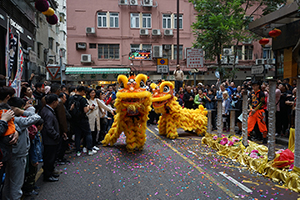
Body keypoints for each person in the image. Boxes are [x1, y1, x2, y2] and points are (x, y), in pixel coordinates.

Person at [3, 97, 41, 199]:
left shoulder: (6, 118)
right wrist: (24, 111)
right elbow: (37, 117)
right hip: (18, 154)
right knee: (16, 182)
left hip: (10, 153)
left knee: (9, 180)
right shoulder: (16, 119)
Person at [68, 86, 95, 156]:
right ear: (82, 91)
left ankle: (78, 151)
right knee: (88, 133)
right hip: (83, 119)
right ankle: (89, 149)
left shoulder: (71, 98)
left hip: (74, 119)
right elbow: (85, 110)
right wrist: (89, 107)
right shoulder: (83, 99)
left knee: (77, 135)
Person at [39, 94, 60, 182]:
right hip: (50, 140)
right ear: (54, 102)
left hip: (49, 139)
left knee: (50, 158)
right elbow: (49, 128)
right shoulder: (48, 113)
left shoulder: (47, 110)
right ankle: (47, 176)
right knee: (49, 159)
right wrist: (56, 135)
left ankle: (49, 173)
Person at [22, 118, 44, 196]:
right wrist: (35, 159)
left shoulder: (34, 133)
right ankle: (29, 188)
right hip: (33, 157)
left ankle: (32, 186)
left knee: (33, 172)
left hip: (34, 156)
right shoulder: (33, 135)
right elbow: (33, 149)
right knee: (32, 173)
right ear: (38, 126)